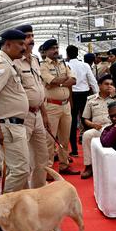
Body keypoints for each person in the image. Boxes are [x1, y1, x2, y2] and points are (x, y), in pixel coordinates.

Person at [0, 29, 30, 193]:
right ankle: (3, 209)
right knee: (21, 171)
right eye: (20, 44)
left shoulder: (9, 62)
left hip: (12, 126)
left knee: (16, 170)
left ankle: (19, 210)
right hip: (8, 126)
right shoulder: (3, 64)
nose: (23, 48)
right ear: (8, 44)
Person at [12, 25, 49, 188]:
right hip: (22, 117)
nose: (31, 39)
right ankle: (21, 197)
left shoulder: (34, 60)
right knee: (22, 160)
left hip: (38, 116)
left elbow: (39, 88)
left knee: (42, 156)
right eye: (27, 36)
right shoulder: (14, 63)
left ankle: (39, 191)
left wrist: (45, 114)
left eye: (32, 36)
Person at [40, 39, 80, 175]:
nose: (55, 50)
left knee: (65, 138)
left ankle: (64, 165)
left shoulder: (64, 64)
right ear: (45, 51)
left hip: (65, 106)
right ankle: (49, 170)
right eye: (52, 48)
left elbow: (74, 80)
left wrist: (58, 83)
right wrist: (62, 81)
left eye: (57, 47)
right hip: (51, 106)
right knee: (49, 140)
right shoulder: (43, 66)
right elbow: (51, 80)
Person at [80, 74, 116, 179]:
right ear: (99, 85)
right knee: (86, 135)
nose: (109, 86)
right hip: (98, 128)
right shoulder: (91, 100)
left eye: (111, 84)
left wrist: (114, 98)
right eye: (106, 84)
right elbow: (85, 119)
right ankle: (88, 166)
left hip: (113, 127)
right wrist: (92, 124)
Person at [66, 45, 99, 157]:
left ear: (67, 54)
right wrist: (97, 95)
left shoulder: (66, 65)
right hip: (84, 95)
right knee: (86, 121)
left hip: (71, 96)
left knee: (72, 122)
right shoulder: (85, 65)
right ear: (77, 53)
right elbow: (93, 81)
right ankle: (91, 149)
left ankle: (74, 150)